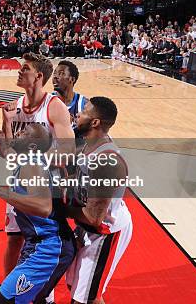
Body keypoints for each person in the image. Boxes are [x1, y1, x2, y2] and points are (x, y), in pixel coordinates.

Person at [0, 122, 76, 304]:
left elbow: (44, 207)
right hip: (41, 244)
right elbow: (10, 154)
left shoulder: (32, 165)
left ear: (32, 146)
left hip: (49, 247)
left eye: (24, 132)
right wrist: (3, 145)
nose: (19, 131)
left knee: (5, 300)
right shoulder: (30, 159)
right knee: (36, 299)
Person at [0, 53, 76, 304]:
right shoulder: (16, 105)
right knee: (14, 240)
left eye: (25, 69)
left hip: (45, 187)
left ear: (39, 76)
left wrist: (35, 158)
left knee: (42, 239)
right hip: (20, 181)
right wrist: (7, 123)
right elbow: (8, 151)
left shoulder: (54, 106)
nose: (19, 72)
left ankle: (44, 294)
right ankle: (13, 285)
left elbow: (67, 151)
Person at [65, 97, 132, 304]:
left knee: (84, 298)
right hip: (87, 224)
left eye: (84, 112)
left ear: (95, 122)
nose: (78, 114)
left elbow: (94, 217)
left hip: (104, 231)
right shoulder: (87, 144)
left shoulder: (107, 161)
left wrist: (55, 208)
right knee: (74, 285)